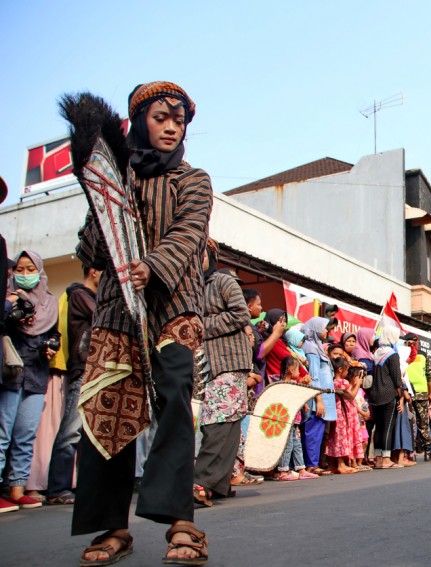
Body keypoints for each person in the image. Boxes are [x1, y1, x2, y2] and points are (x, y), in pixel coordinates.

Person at [73, 81, 211, 564]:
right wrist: (99, 203)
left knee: (174, 398)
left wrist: (151, 266)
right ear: (138, 122)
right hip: (115, 310)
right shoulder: (117, 179)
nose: (172, 126)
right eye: (160, 117)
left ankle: (181, 522)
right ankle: (112, 527)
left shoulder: (193, 180)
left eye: (179, 119)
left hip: (175, 306)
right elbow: (89, 252)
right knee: (108, 411)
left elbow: (189, 233)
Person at [192, 240, 253, 507]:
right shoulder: (192, 286)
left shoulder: (223, 282)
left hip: (229, 361)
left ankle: (203, 481)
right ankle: (219, 482)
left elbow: (241, 314)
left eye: (199, 252)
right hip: (209, 364)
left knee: (218, 423)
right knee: (224, 424)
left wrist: (201, 325)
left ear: (210, 255)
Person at [1, 251, 60, 513]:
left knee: (25, 434)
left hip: (36, 374)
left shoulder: (49, 303)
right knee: (3, 433)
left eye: (30, 269)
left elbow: (54, 334)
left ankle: (17, 488)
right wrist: (10, 303)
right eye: (20, 270)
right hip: (10, 374)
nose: (24, 275)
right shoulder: (7, 298)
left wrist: (51, 347)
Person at [45, 264, 100, 505]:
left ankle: (79, 486)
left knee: (88, 434)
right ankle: (58, 487)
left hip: (95, 369)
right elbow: (100, 317)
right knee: (71, 431)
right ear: (94, 272)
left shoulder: (91, 297)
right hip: (83, 368)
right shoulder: (79, 294)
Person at [301, 317, 335, 475]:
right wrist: (319, 399)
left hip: (322, 398)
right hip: (316, 399)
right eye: (324, 328)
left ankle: (314, 463)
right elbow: (313, 376)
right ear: (315, 329)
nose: (326, 331)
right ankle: (311, 464)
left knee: (319, 431)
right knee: (313, 431)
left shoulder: (317, 347)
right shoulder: (311, 348)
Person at [369, 326, 404, 469]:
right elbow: (397, 378)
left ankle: (377, 459)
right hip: (389, 394)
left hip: (375, 394)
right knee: (388, 427)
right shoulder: (392, 354)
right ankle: (386, 459)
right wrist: (400, 396)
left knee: (378, 427)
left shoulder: (377, 353)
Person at [402, 333, 431, 462]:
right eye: (410, 341)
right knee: (409, 423)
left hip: (421, 392)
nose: (412, 343)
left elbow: (429, 375)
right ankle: (411, 452)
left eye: (414, 341)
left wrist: (430, 393)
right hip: (407, 392)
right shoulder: (402, 353)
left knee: (423, 423)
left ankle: (428, 451)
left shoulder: (423, 355)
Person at [326, 357, 362, 474]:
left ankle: (332, 464)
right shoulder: (341, 382)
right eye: (346, 370)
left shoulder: (333, 382)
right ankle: (341, 464)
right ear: (340, 369)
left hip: (340, 411)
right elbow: (350, 396)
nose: (347, 373)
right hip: (342, 412)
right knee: (341, 437)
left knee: (336, 436)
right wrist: (357, 385)